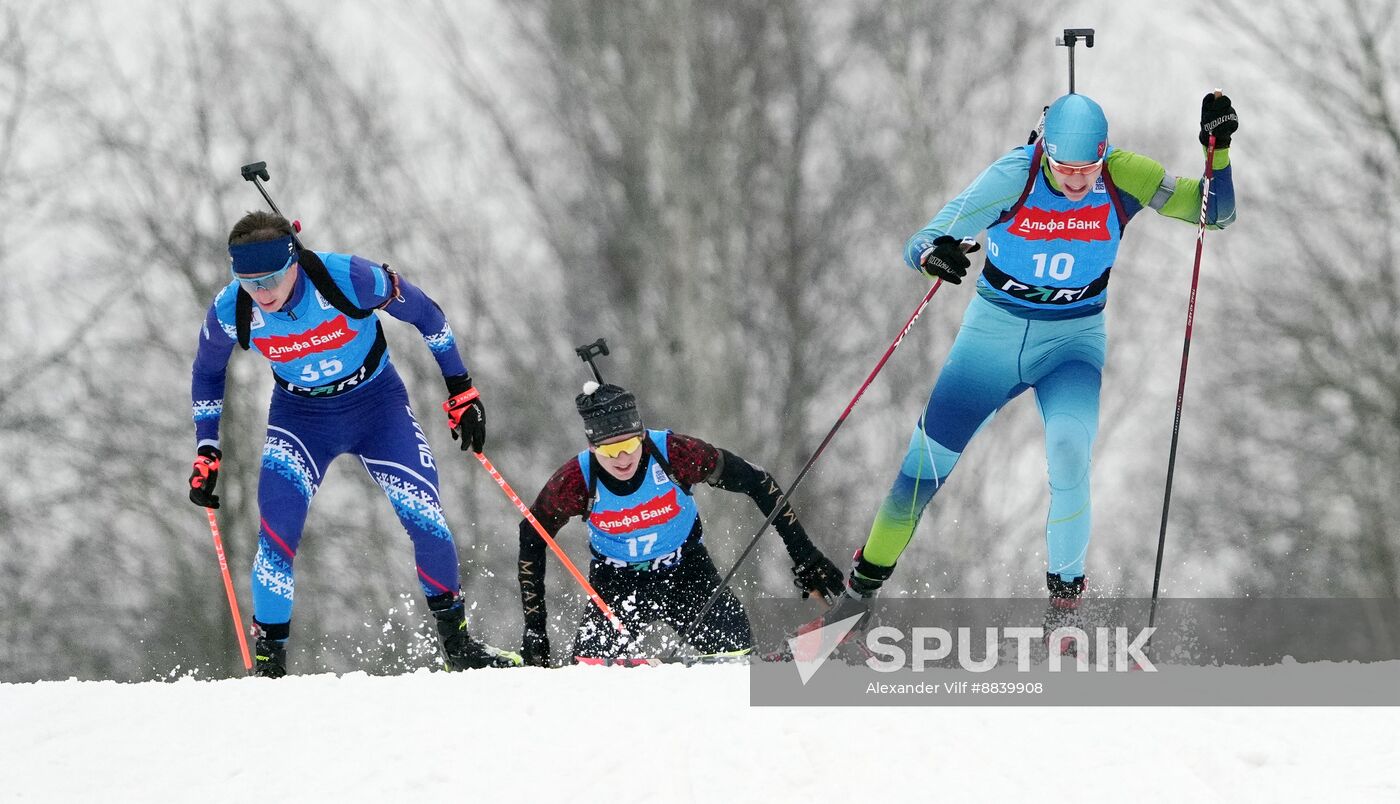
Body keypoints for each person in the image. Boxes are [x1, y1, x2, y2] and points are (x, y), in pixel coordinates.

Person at [825, 92, 1239, 636]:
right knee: (925, 464)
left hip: (1072, 343)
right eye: (1063, 169)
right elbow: (922, 239)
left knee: (1070, 451)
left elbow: (1215, 212)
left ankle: (1064, 619)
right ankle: (856, 600)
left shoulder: (1123, 174)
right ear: (1044, 152)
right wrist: (934, 255)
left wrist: (1219, 150)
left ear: (1102, 154)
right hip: (992, 337)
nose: (1075, 181)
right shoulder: (1013, 177)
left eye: (1086, 169)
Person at [187, 210, 521, 676]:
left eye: (270, 279)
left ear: (294, 262)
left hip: (377, 408)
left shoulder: (347, 278)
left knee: (428, 521)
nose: (261, 294)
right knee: (276, 539)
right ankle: (268, 668)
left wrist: (461, 388)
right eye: (248, 282)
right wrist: (208, 448)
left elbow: (428, 315)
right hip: (300, 420)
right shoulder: (231, 308)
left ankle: (459, 647)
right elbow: (207, 371)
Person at [515, 378, 845, 665]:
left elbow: (757, 481)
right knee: (589, 676)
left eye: (630, 444)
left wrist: (805, 555)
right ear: (592, 446)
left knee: (736, 659)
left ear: (641, 434)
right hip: (616, 583)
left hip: (686, 572)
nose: (623, 458)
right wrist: (535, 629)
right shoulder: (576, 479)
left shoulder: (674, 453)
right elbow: (532, 533)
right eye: (609, 450)